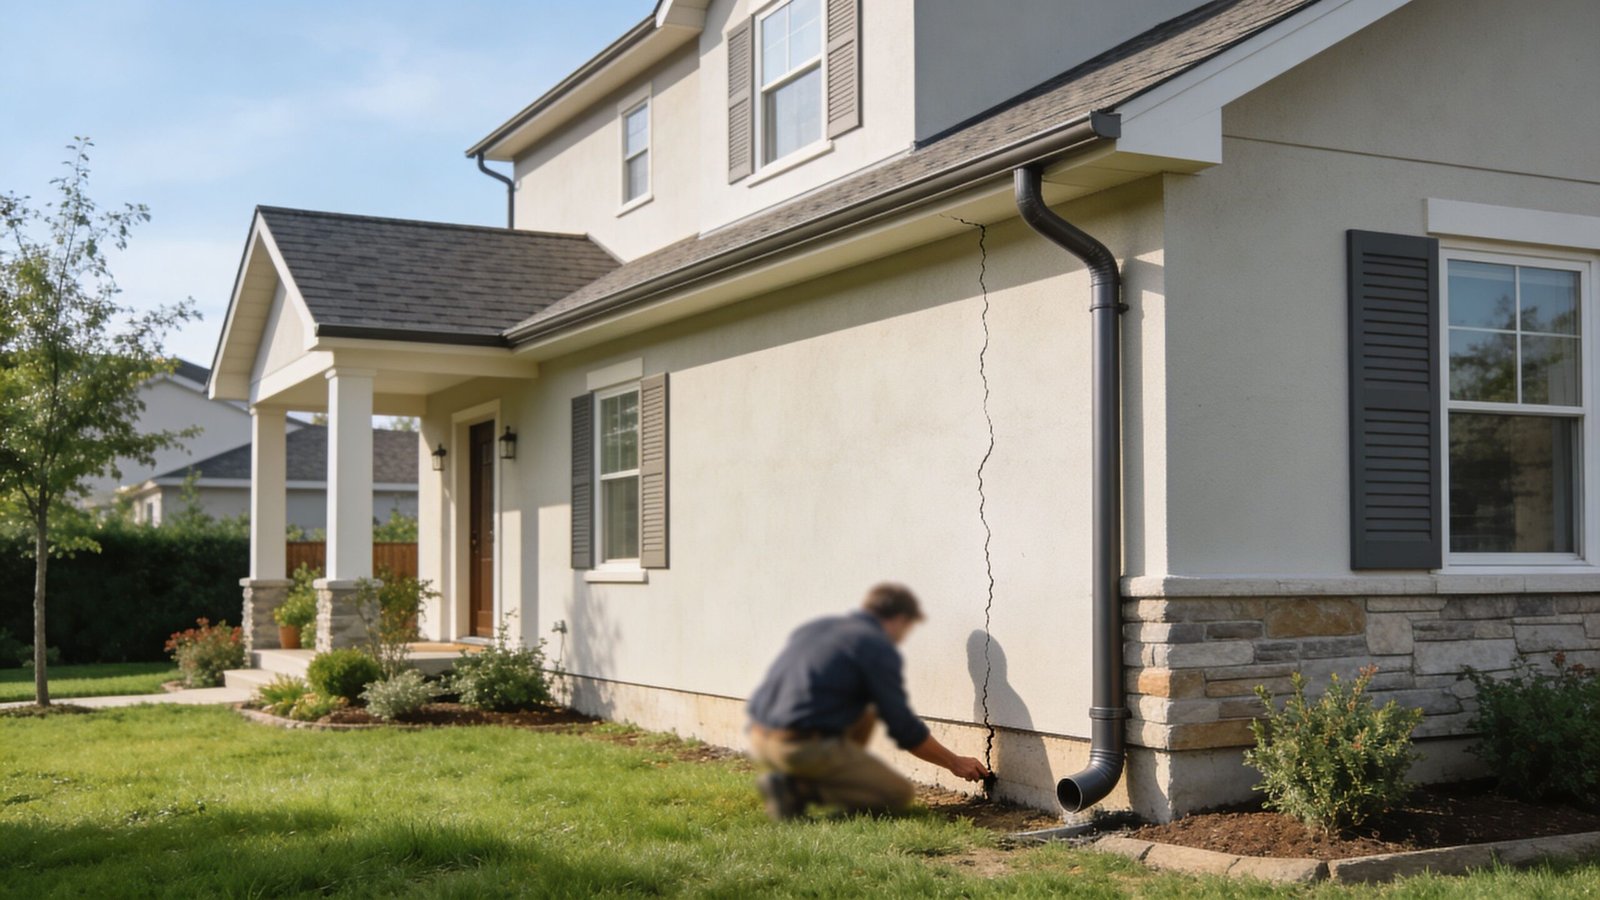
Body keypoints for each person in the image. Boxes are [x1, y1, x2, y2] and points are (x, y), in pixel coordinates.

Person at [746, 582, 990, 820]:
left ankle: (804, 776)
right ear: (898, 620)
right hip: (797, 746)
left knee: (866, 712)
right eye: (907, 627)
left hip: (759, 736)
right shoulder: (874, 646)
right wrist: (954, 762)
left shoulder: (820, 628)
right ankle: (794, 788)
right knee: (896, 793)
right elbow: (904, 728)